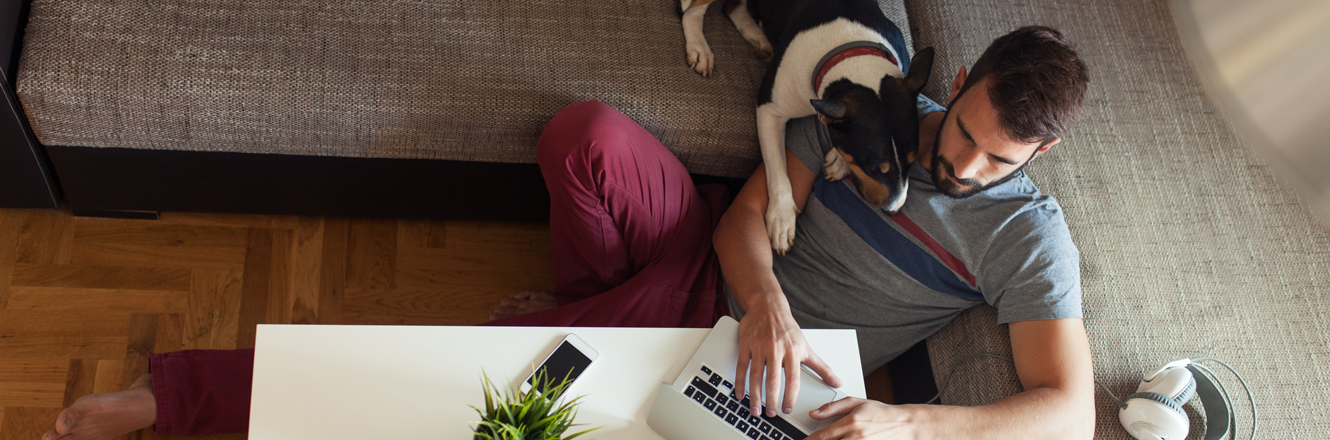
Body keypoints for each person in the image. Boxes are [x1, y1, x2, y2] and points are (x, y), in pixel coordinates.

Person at [45, 25, 1092, 440]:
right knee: (582, 144)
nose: (958, 164)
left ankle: (168, 395)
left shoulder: (1029, 245)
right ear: (954, 87)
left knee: (486, 396)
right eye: (961, 131)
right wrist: (766, 296)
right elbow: (740, 223)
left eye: (996, 158)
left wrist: (918, 425)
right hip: (718, 278)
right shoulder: (881, 112)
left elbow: (1065, 405)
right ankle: (580, 310)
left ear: (1037, 159)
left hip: (746, 374)